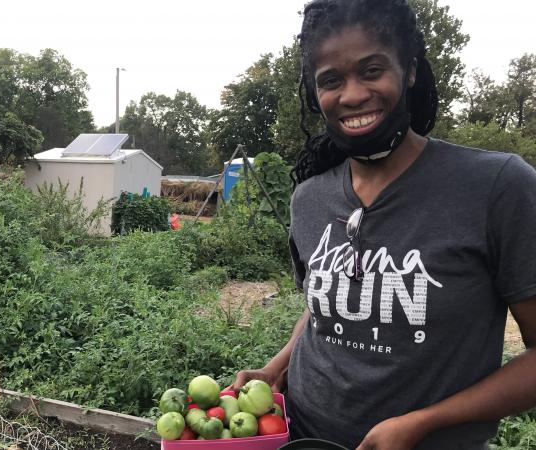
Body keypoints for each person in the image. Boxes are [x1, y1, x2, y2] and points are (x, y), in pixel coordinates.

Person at [229, 1, 536, 449]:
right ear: (315, 94)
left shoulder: (497, 187)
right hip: (302, 437)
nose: (351, 95)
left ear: (409, 70)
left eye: (371, 71)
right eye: (331, 80)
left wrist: (424, 422)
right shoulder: (309, 198)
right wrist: (277, 366)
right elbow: (326, 308)